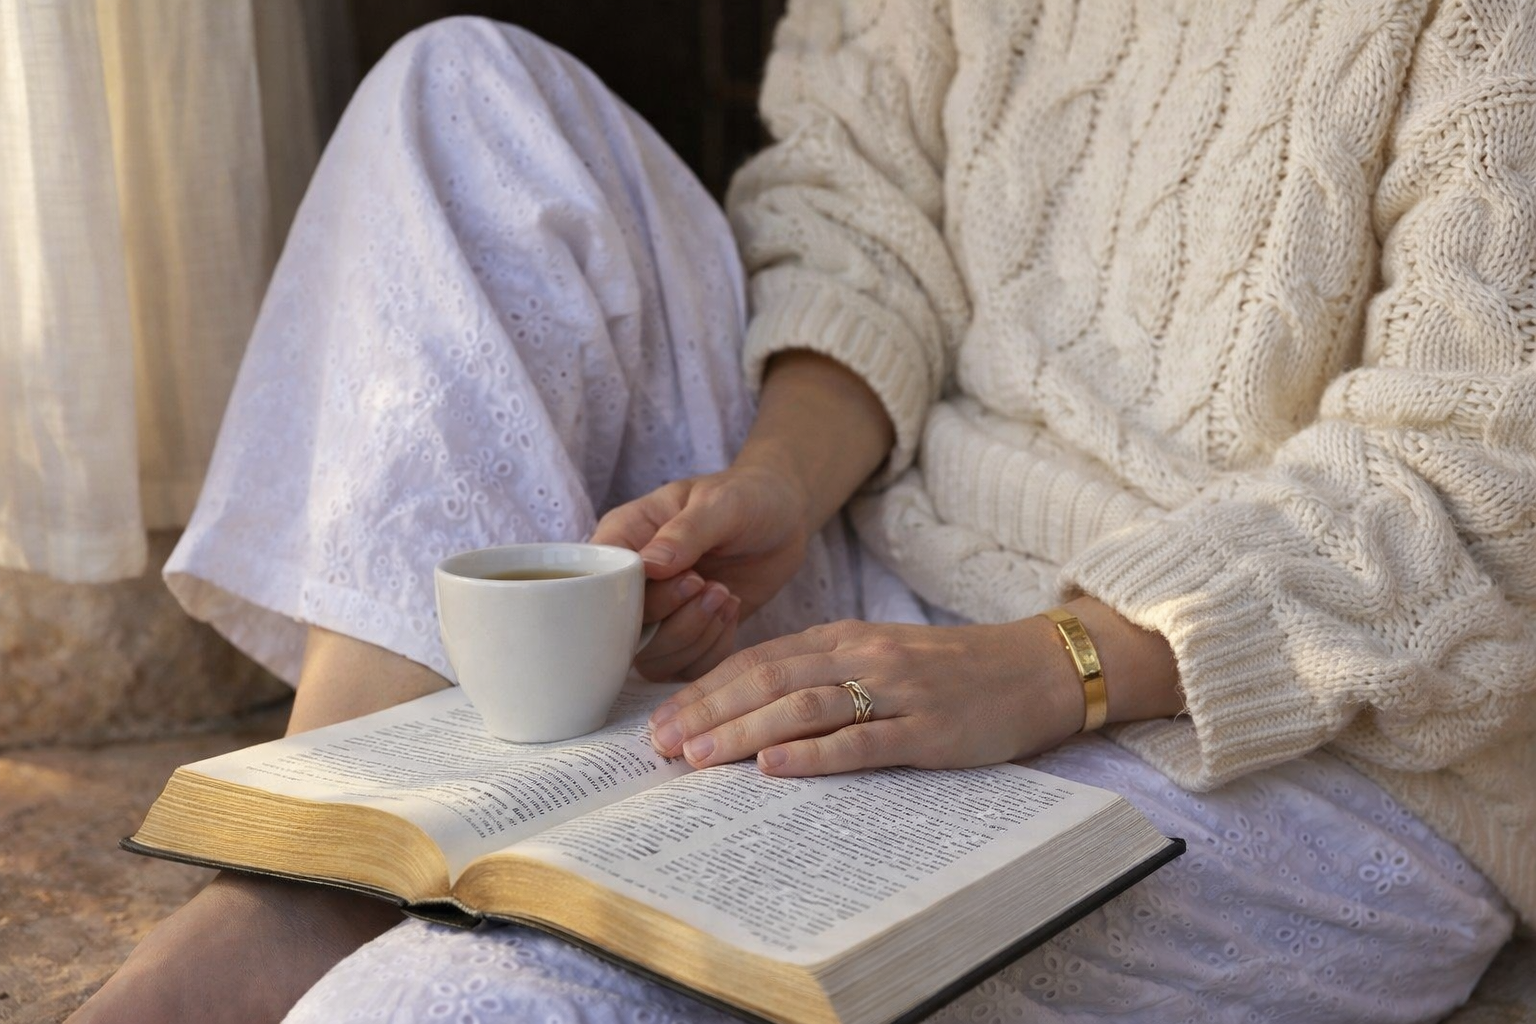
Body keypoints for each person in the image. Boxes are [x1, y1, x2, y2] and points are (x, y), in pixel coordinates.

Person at [70, 1, 1535, 1021]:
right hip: (893, 570)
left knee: (478, 999)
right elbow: (857, 210)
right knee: (461, 96)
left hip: (1299, 737)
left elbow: (1478, 478)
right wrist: (779, 476)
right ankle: (336, 864)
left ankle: (387, 946)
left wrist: (1051, 664)